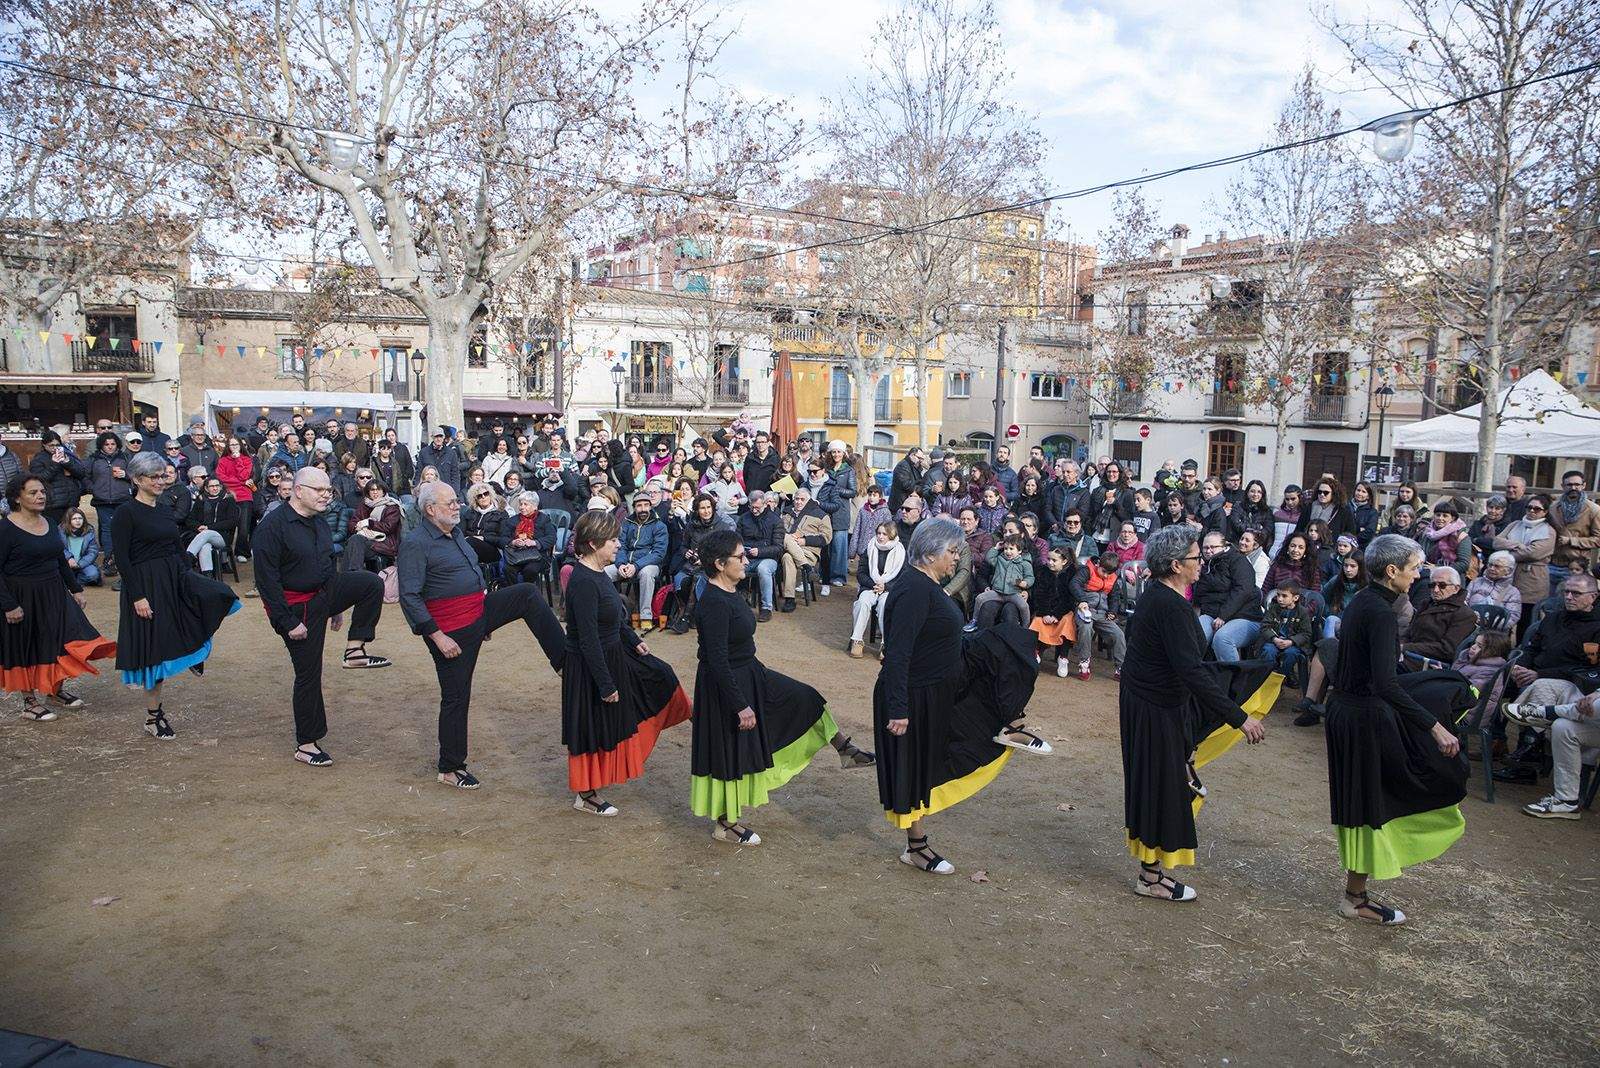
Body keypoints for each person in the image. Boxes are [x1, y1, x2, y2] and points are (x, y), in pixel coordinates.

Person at [875, 518, 1050, 876]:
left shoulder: (927, 585)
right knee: (917, 768)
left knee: (1006, 645)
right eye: (952, 552)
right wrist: (898, 708)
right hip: (914, 695)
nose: (957, 559)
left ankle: (1009, 724)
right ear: (930, 552)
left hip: (942, 685)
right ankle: (917, 848)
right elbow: (897, 653)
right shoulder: (911, 590)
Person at [691, 529, 874, 845]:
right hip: (726, 685)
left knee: (807, 698)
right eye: (739, 556)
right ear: (720, 564)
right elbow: (717, 661)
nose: (746, 558)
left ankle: (845, 749)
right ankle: (726, 824)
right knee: (731, 750)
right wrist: (739, 704)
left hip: (750, 672)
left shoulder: (731, 591)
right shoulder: (714, 602)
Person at [1325, 534, 1466, 925]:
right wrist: (1436, 727)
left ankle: (1356, 894)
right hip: (1361, 717)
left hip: (1347, 711)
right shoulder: (1381, 612)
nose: (1419, 575)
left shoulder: (1363, 602)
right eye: (1414, 568)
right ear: (1392, 572)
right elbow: (1386, 684)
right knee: (1371, 805)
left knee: (1366, 805)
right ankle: (1354, 898)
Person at [1121, 525, 1267, 902]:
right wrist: (1239, 717)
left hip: (1153, 703)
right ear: (1175, 565)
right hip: (1153, 707)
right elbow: (1192, 671)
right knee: (1159, 786)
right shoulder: (1169, 605)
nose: (1201, 563)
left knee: (1162, 784)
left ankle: (1152, 871)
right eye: (1195, 557)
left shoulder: (1162, 597)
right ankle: (1149, 877)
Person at [398, 481, 563, 788]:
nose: (457, 505)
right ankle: (450, 766)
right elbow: (409, 596)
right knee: (457, 697)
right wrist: (438, 636)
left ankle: (565, 661)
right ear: (431, 509)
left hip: (477, 613)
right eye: (450, 503)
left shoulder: (456, 533)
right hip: (450, 630)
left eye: (456, 501)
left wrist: (483, 618)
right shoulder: (416, 543)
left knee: (526, 593)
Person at [251, 468, 392, 767]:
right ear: (298, 490)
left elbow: (328, 565)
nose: (326, 495)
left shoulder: (319, 522)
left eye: (328, 490)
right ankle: (306, 743)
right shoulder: (271, 527)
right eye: (320, 490)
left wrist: (336, 606)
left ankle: (355, 650)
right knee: (308, 674)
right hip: (295, 608)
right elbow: (266, 582)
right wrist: (288, 622)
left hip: (323, 593)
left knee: (370, 583)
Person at [560, 510, 691, 815]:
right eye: (613, 539)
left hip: (613, 655)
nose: (619, 544)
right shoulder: (581, 581)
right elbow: (587, 639)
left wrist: (635, 641)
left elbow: (615, 618)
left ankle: (593, 787)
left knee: (655, 679)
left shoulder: (600, 574)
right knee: (590, 727)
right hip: (591, 667)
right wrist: (605, 684)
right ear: (593, 544)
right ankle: (586, 794)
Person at [110, 451, 241, 739]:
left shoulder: (164, 508)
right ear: (136, 479)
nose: (160, 481)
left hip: (174, 576)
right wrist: (137, 596)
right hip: (145, 583)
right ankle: (154, 717)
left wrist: (188, 573)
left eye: (162, 475)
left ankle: (193, 650)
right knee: (154, 652)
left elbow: (174, 545)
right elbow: (122, 559)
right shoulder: (126, 512)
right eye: (154, 477)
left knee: (218, 594)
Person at [0, 476, 116, 720]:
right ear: (17, 497)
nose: (40, 496)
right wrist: (9, 605)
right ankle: (29, 702)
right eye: (32, 493)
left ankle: (55, 690)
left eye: (42, 491)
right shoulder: (6, 529)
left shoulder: (50, 522)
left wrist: (75, 588)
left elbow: (59, 559)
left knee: (60, 638)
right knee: (27, 645)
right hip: (22, 596)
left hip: (53, 592)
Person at [1492, 494, 1556, 642]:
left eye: (1537, 509)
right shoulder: (1515, 524)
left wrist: (1506, 554)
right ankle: (1499, 648)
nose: (1532, 511)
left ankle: (1521, 651)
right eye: (1529, 507)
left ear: (1545, 512)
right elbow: (1496, 542)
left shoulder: (1549, 531)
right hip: (1508, 578)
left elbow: (1533, 553)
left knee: (1526, 620)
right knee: (1503, 616)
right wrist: (1518, 545)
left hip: (1532, 580)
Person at [1193, 530, 1263, 662]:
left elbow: (1243, 590)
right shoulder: (1204, 566)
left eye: (1213, 547)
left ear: (1224, 546)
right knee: (1195, 636)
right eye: (1205, 548)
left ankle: (1232, 679)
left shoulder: (1238, 560)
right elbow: (1199, 595)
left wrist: (1223, 616)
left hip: (1245, 616)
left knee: (1223, 638)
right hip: (1212, 614)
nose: (1208, 551)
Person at [1400, 566, 1475, 668]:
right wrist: (1398, 645)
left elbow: (1447, 650)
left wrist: (1405, 647)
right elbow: (1409, 632)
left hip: (1432, 663)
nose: (1435, 590)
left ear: (1456, 588)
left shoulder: (1464, 614)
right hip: (1409, 654)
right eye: (1432, 585)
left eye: (1442, 585)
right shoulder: (1427, 603)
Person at [613, 491, 668, 629]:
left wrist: (636, 566)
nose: (643, 509)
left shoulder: (659, 525)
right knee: (605, 573)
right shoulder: (627, 524)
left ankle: (645, 616)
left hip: (649, 564)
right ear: (634, 507)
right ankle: (611, 613)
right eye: (639, 505)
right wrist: (620, 564)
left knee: (646, 573)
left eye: (646, 505)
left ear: (650, 506)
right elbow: (620, 546)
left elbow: (658, 553)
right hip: (626, 563)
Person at [849, 521, 904, 658]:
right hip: (870, 586)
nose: (880, 537)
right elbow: (861, 572)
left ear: (891, 535)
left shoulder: (901, 552)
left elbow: (903, 578)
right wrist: (873, 584)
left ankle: (885, 644)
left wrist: (886, 586)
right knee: (862, 602)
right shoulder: (869, 548)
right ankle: (857, 640)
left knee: (885, 605)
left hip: (889, 589)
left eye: (884, 534)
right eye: (878, 533)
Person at [1068, 550, 1126, 681]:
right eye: (1103, 571)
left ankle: (1121, 667)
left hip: (1102, 614)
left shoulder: (1113, 578)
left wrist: (1112, 611)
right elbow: (1074, 584)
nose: (1106, 576)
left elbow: (1115, 597)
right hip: (1084, 610)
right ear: (1098, 564)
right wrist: (1082, 599)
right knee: (1086, 628)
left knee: (1118, 634)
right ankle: (1084, 662)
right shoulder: (1086, 570)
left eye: (1109, 573)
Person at [734, 490, 783, 622]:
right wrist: (742, 552)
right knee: (732, 566)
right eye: (752, 507)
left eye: (757, 507)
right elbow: (737, 540)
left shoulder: (776, 521)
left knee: (763, 569)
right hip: (747, 556)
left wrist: (760, 551)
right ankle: (737, 602)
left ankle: (766, 608)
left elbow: (778, 548)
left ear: (765, 505)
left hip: (768, 558)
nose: (754, 510)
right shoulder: (744, 519)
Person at [814, 440, 856, 593]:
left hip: (841, 511)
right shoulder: (827, 469)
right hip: (825, 510)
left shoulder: (849, 470)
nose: (836, 454)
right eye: (834, 452)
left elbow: (853, 491)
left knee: (839, 546)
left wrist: (836, 490)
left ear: (843, 453)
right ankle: (824, 573)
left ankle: (838, 576)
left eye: (839, 451)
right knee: (825, 545)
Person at [1548, 470, 1600, 587]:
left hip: (1576, 567)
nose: (1573, 488)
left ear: (1584, 485)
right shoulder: (1553, 508)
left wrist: (1572, 541)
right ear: (1562, 486)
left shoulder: (1593, 510)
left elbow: (1598, 539)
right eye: (1569, 485)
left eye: (1577, 485)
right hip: (1552, 564)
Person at [971, 533, 1034, 630]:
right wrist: (995, 548)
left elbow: (1030, 577)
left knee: (1024, 607)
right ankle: (974, 620)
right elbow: (989, 558)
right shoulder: (1000, 559)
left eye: (1011, 549)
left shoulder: (1024, 564)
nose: (1008, 551)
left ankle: (1026, 627)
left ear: (1020, 550)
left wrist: (1025, 583)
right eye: (1006, 548)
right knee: (979, 598)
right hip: (998, 592)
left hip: (1013, 593)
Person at [29, 430, 87, 527]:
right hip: (53, 504)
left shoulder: (66, 455)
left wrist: (68, 463)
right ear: (44, 445)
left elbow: (81, 473)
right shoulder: (38, 459)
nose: (55, 448)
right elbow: (39, 480)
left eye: (57, 445)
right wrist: (54, 464)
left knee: (71, 532)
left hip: (70, 501)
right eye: (51, 445)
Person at [344, 479, 403, 573]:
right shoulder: (364, 505)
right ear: (368, 492)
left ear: (383, 491)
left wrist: (369, 523)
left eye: (378, 489)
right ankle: (353, 575)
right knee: (354, 542)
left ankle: (352, 575)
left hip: (385, 543)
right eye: (372, 490)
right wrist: (362, 528)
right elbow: (352, 523)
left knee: (354, 542)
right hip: (365, 540)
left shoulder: (391, 506)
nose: (375, 492)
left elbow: (388, 527)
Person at [1258, 581, 1313, 679]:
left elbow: (1306, 633)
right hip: (1274, 641)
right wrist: (1274, 638)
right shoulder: (1273, 609)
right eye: (1278, 595)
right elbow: (1264, 626)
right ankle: (1268, 675)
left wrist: (1291, 641)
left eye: (1284, 596)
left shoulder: (1303, 612)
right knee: (1268, 651)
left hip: (1293, 644)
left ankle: (1282, 676)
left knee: (1291, 653)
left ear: (1295, 598)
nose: (1280, 599)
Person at [1464, 550, 1521, 630]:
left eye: (1497, 566)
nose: (1492, 568)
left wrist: (1488, 622)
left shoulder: (1512, 592)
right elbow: (1464, 602)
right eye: (1490, 565)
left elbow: (1512, 618)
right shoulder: (1476, 582)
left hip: (1493, 632)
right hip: (1468, 624)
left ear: (1508, 571)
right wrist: (1471, 617)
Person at [1321, 554, 1367, 639]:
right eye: (1345, 566)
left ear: (1360, 567)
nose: (1348, 570)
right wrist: (1330, 611)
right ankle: (1330, 648)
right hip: (1338, 621)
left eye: (1353, 566)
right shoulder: (1336, 580)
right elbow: (1321, 599)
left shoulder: (1367, 585)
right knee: (1331, 620)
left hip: (1359, 624)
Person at [60, 508, 103, 587]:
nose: (78, 521)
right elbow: (60, 549)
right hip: (66, 563)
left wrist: (80, 564)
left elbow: (93, 552)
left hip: (83, 564)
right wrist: (69, 558)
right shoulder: (60, 532)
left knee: (93, 575)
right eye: (74, 519)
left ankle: (75, 581)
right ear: (68, 520)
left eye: (80, 518)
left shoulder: (89, 532)